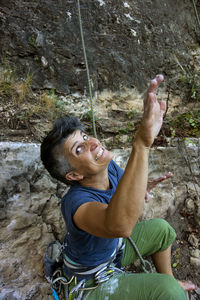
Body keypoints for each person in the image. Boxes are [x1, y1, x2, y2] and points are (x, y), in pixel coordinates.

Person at [41, 75, 197, 299]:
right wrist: (141, 144)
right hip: (90, 283)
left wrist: (141, 188)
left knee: (163, 230)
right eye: (79, 149)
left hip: (113, 252)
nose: (93, 143)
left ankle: (173, 280)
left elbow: (127, 189)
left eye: (86, 136)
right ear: (74, 174)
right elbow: (120, 226)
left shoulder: (109, 168)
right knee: (168, 292)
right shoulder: (76, 204)